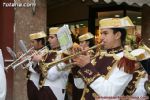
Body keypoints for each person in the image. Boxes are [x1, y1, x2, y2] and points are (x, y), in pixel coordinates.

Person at [72, 16, 137, 99]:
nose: (101, 37)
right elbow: (80, 85)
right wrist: (77, 66)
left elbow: (109, 93)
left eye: (105, 33)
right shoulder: (99, 55)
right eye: (101, 33)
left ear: (117, 35)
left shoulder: (126, 60)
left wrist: (86, 66)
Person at [34, 27, 70, 100]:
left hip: (55, 92)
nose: (48, 40)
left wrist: (40, 61)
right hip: (43, 89)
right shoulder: (49, 52)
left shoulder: (65, 54)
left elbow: (52, 76)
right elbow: (37, 70)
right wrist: (35, 61)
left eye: (51, 37)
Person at [70, 32, 95, 100]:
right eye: (79, 42)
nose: (80, 44)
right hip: (77, 81)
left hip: (83, 82)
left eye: (82, 42)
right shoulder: (81, 52)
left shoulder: (90, 52)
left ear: (88, 43)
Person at [27, 31, 46, 100]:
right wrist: (23, 60)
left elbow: (39, 69)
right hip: (31, 81)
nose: (31, 44)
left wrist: (32, 62)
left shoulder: (46, 52)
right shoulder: (34, 52)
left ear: (40, 42)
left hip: (38, 84)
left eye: (33, 42)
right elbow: (26, 67)